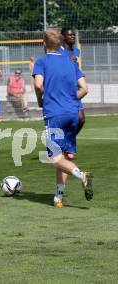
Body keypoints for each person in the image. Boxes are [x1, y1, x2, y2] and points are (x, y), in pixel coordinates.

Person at [32, 28, 93, 208]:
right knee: (64, 155)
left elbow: (38, 84)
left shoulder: (41, 61)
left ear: (44, 44)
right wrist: (72, 100)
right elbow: (85, 88)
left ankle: (83, 176)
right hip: (73, 113)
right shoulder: (70, 61)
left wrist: (40, 101)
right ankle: (58, 197)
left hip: (54, 114)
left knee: (54, 157)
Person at [60, 27, 86, 159]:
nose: (72, 37)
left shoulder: (76, 51)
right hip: (63, 90)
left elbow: (75, 68)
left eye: (73, 35)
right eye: (69, 35)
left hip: (75, 90)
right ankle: (64, 146)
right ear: (63, 37)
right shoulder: (59, 51)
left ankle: (67, 142)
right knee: (68, 119)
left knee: (81, 119)